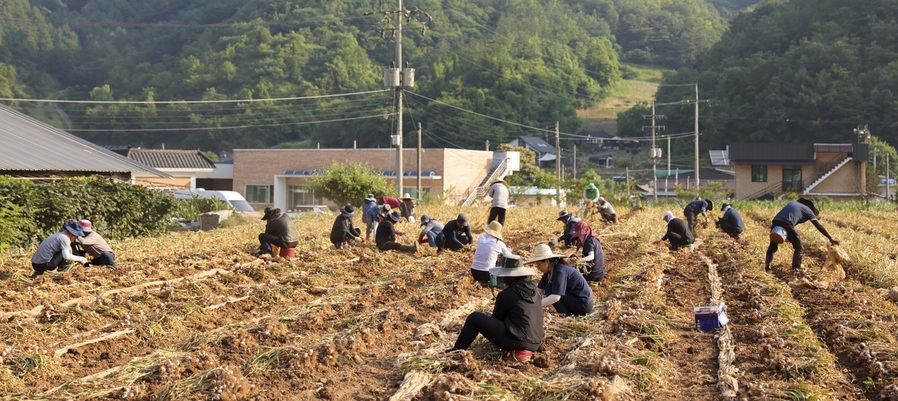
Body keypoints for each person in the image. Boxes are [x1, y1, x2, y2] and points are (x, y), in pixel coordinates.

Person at [446, 255, 544, 362]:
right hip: (536, 342)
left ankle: (457, 350)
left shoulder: (507, 294)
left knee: (474, 318)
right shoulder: (535, 292)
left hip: (517, 341)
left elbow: (497, 319)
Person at [764, 198, 838, 272]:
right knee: (799, 247)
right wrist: (830, 238)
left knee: (773, 246)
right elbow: (819, 226)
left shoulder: (792, 203)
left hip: (775, 222)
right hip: (787, 224)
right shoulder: (808, 211)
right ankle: (796, 269)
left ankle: (767, 268)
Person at [525, 243, 594, 316]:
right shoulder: (549, 272)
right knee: (549, 287)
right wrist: (527, 302)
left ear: (547, 262)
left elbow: (556, 297)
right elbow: (538, 290)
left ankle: (567, 315)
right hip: (574, 299)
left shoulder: (560, 271)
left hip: (583, 304)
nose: (538, 268)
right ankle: (567, 314)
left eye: (539, 264)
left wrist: (536, 305)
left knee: (550, 289)